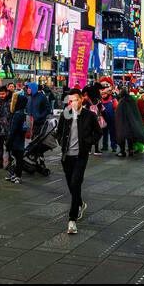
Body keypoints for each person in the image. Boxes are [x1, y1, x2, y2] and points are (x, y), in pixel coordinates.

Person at [56, 87, 100, 235]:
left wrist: (88, 142)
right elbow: (59, 132)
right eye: (70, 100)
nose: (73, 103)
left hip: (81, 156)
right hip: (66, 156)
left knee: (76, 183)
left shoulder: (89, 115)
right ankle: (80, 203)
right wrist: (61, 142)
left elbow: (98, 133)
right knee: (71, 185)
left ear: (81, 99)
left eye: (75, 100)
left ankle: (72, 219)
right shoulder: (66, 114)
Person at [7, 92, 29, 184]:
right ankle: (14, 175)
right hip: (20, 139)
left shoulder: (17, 114)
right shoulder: (23, 112)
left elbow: (13, 129)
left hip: (16, 140)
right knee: (17, 158)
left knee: (16, 158)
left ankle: (17, 176)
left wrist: (9, 141)